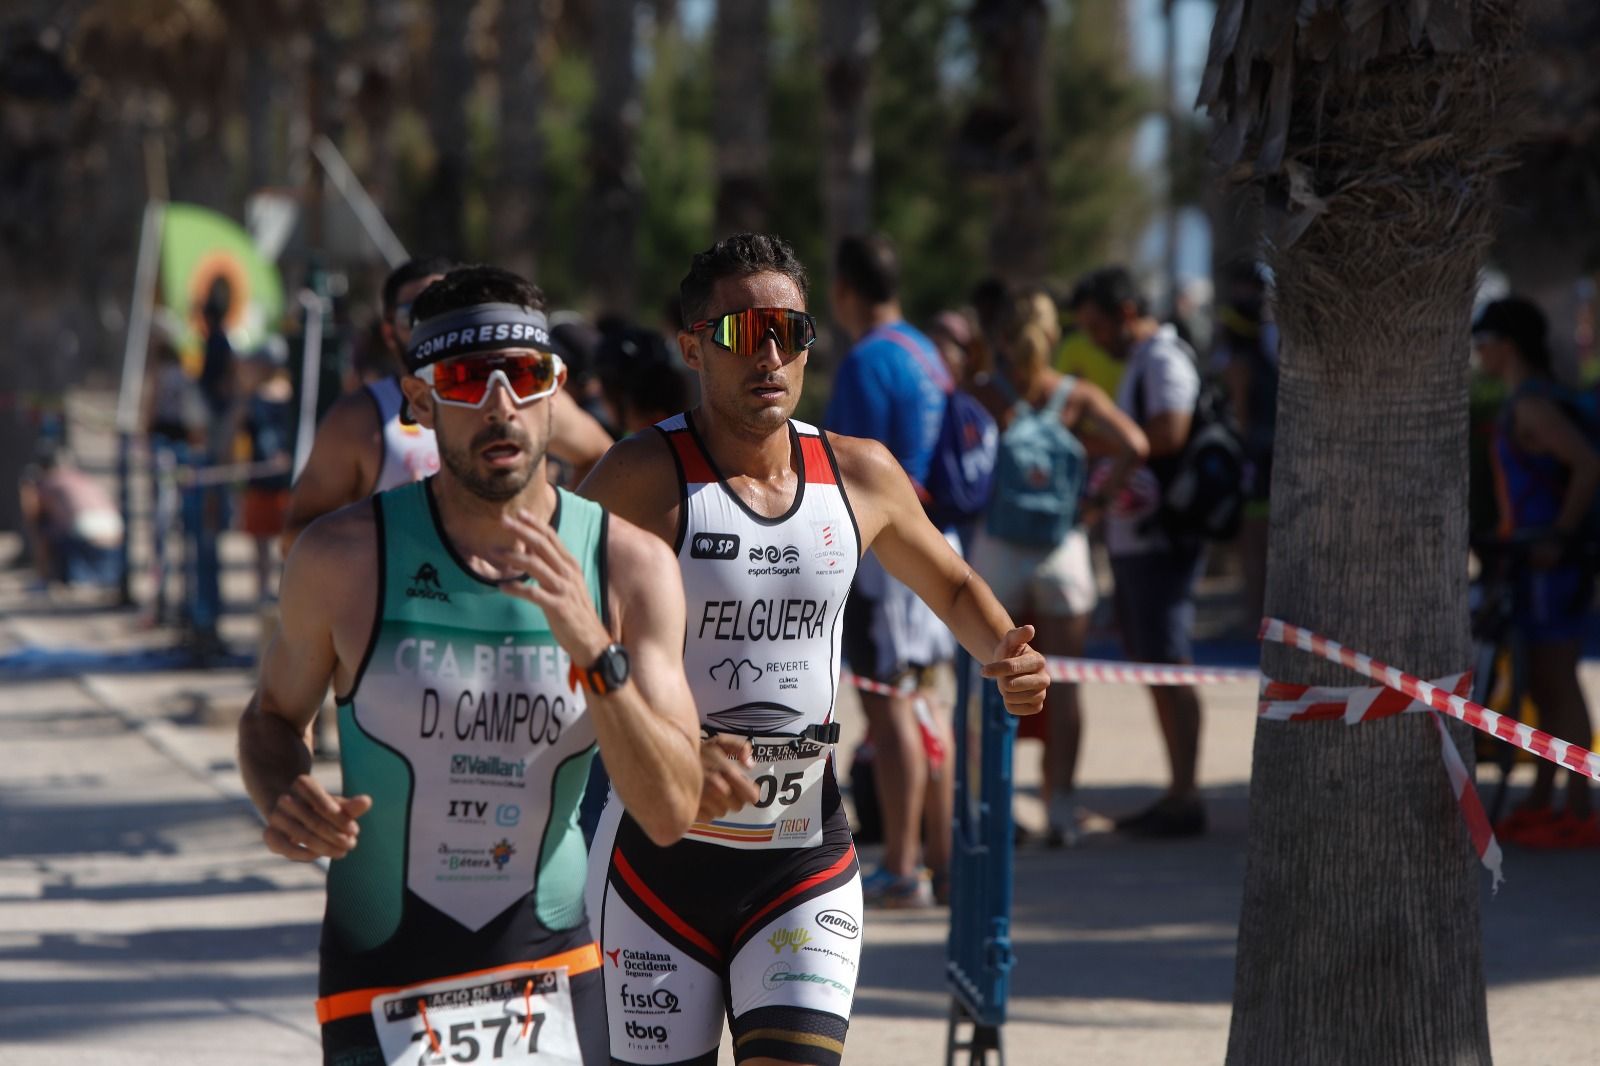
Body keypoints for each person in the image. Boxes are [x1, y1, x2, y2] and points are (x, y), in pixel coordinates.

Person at [577, 232, 1049, 1066]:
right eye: (739, 333)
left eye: (787, 334)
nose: (767, 355)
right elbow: (553, 628)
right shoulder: (642, 476)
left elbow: (949, 582)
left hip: (802, 863)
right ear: (692, 347)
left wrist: (1004, 654)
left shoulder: (858, 474)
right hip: (656, 871)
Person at [238, 266, 706, 1066]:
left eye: (525, 377)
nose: (499, 406)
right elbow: (273, 719)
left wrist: (596, 655)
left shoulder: (629, 568)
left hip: (552, 973)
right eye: (463, 380)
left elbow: (670, 810)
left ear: (555, 393)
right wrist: (284, 792)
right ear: (417, 403)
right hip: (382, 975)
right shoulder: (343, 559)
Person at [969, 290, 1148, 846]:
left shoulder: (984, 393)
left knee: (988, 679)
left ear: (1004, 337)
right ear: (1053, 338)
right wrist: (1094, 505)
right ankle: (1061, 809)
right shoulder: (1075, 395)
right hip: (1062, 549)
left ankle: (992, 806)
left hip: (997, 547)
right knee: (1065, 683)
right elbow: (1135, 444)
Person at [282, 258, 615, 550]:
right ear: (388, 332)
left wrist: (564, 532)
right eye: (412, 313)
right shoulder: (359, 418)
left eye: (445, 305)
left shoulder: (525, 395)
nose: (499, 404)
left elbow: (601, 456)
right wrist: (392, 529)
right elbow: (297, 537)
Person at [823, 233, 960, 906]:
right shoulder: (927, 353)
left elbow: (850, 468)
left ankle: (903, 866)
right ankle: (939, 854)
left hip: (886, 555)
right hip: (940, 542)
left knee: (889, 703)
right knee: (930, 702)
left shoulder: (865, 361)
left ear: (845, 290)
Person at [1069, 266, 1207, 838]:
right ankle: (1178, 791)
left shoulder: (1163, 359)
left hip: (1162, 539)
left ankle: (1184, 796)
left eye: (1098, 325)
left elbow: (1170, 433)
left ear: (1126, 311)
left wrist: (1087, 441)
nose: (1095, 338)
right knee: (1156, 661)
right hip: (1139, 538)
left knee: (1170, 661)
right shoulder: (1143, 362)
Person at [1475, 296, 1600, 848]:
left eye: (1483, 343)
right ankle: (1545, 795)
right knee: (1544, 688)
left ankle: (1578, 807)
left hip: (1554, 564)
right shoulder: (1520, 402)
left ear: (1507, 345)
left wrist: (1561, 533)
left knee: (1558, 680)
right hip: (1533, 562)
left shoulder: (1531, 406)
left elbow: (1587, 463)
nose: (1477, 354)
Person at [1215, 261, 1279, 630]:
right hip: (1261, 452)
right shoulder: (1263, 338)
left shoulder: (1254, 346)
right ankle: (1256, 615)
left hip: (1257, 453)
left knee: (1257, 539)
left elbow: (1239, 406)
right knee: (1256, 539)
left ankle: (1258, 616)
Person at [237, 338, 296, 604]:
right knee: (261, 545)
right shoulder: (252, 398)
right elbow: (241, 434)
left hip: (285, 484)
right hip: (259, 482)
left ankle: (282, 594)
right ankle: (264, 595)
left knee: (286, 545)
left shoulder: (292, 396)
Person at [18, 440, 123, 588]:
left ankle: (44, 579)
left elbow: (33, 515)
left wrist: (27, 491)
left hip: (85, 531)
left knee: (44, 527)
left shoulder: (49, 481)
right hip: (115, 529)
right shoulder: (81, 477)